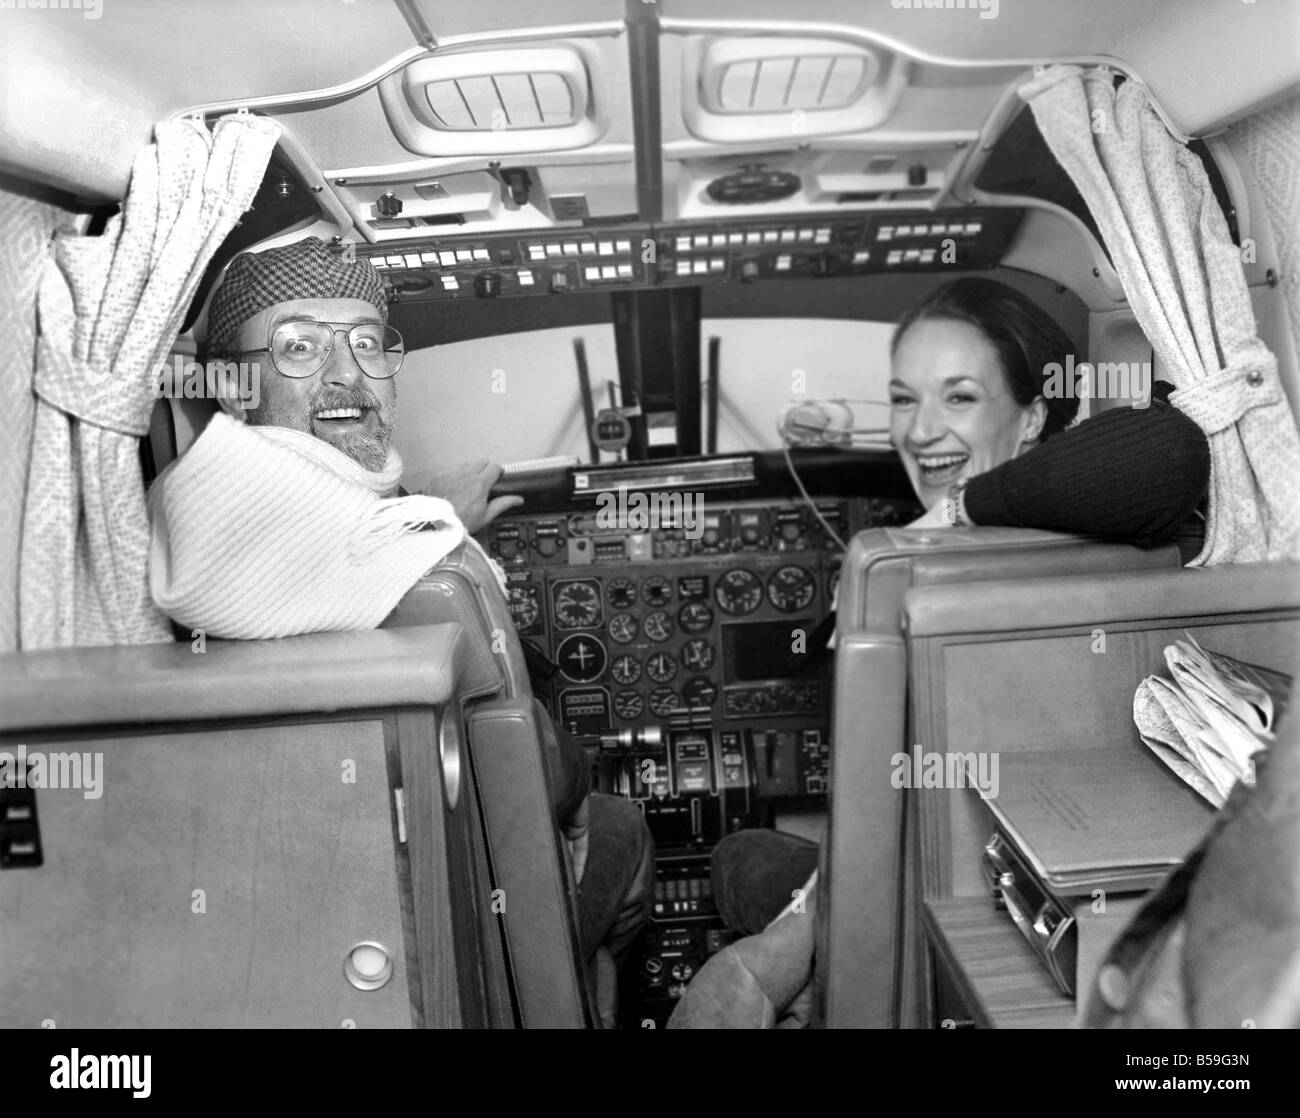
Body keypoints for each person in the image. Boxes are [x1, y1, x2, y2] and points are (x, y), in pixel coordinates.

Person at [677, 277, 1212, 1027]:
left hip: (931, 884)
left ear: (1033, 418)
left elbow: (1167, 448)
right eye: (905, 398)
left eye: (959, 398)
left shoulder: (904, 567)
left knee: (736, 859)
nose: (921, 430)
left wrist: (952, 512)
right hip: (963, 863)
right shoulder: (1124, 546)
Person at [146, 236, 653, 1024]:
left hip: (293, 916)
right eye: (301, 345)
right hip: (456, 923)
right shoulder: (428, 571)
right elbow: (541, 777)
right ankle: (581, 992)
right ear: (233, 383)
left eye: (368, 342)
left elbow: (320, 531)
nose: (347, 373)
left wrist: (428, 502)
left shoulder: (198, 521)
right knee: (620, 829)